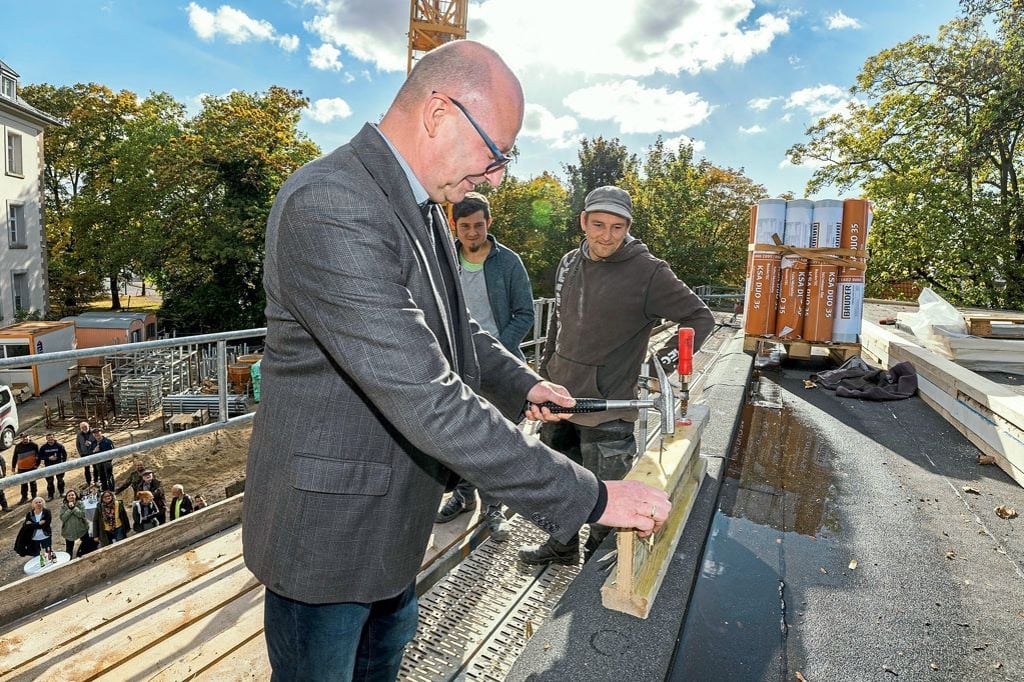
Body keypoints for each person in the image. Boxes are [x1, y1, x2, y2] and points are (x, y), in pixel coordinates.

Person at [242, 40, 670, 682]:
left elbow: (455, 326)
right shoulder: (332, 204)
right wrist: (590, 495)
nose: (496, 176)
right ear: (440, 112)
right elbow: (428, 397)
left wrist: (524, 381)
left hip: (388, 529)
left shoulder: (417, 204)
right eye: (496, 151)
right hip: (327, 542)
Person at [519, 185, 716, 566]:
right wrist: (542, 377)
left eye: (616, 227)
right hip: (559, 400)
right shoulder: (568, 263)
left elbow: (699, 317)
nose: (606, 235)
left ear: (627, 227)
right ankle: (560, 547)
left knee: (607, 496)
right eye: (598, 225)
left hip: (609, 407)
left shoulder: (648, 272)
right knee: (558, 486)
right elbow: (558, 323)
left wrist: (665, 363)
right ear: (583, 222)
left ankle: (596, 567)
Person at [435, 191, 535, 541]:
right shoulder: (443, 261)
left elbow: (526, 313)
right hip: (455, 366)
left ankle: (493, 507)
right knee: (461, 437)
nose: (473, 233)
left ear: (489, 223)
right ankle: (464, 495)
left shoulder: (508, 262)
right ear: (454, 226)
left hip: (496, 367)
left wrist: (498, 354)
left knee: (495, 440)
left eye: (479, 225)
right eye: (465, 227)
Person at [59, 490, 89, 557]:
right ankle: (68, 561)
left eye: (72, 495)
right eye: (69, 495)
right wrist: (70, 510)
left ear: (75, 496)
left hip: (82, 528)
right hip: (69, 531)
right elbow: (62, 518)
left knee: (87, 543)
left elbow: (81, 514)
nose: (71, 496)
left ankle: (83, 555)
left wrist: (74, 508)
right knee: (69, 549)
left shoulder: (80, 504)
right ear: (66, 497)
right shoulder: (63, 507)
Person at [39, 432, 68, 500]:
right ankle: (50, 495)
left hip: (59, 466)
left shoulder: (59, 446)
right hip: (48, 467)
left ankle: (62, 492)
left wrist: (63, 463)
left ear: (54, 438)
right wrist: (48, 458)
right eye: (48, 438)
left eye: (51, 437)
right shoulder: (43, 447)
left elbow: (65, 455)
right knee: (49, 482)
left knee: (60, 480)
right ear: (46, 439)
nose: (50, 439)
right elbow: (40, 456)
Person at [11, 434, 40, 503]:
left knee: (33, 482)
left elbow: (39, 455)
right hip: (21, 468)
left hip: (32, 467)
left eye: (26, 437)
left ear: (29, 437)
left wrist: (37, 465)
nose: (25, 439)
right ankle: (24, 497)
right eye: (23, 438)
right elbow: (15, 456)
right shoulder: (18, 446)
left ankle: (34, 496)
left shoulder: (34, 445)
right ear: (21, 439)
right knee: (23, 483)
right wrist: (13, 467)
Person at [91, 427, 116, 492]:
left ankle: (112, 490)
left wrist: (109, 461)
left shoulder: (108, 441)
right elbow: (91, 453)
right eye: (95, 435)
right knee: (102, 477)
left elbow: (113, 452)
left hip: (107, 462)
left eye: (98, 434)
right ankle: (105, 490)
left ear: (101, 433)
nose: (97, 436)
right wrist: (94, 451)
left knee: (109, 476)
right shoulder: (93, 443)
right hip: (98, 463)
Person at [75, 421, 98, 486]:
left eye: (85, 427)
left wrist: (92, 443)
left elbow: (98, 440)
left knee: (96, 468)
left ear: (88, 426)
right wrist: (81, 454)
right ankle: (88, 482)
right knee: (86, 469)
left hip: (94, 453)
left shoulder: (94, 432)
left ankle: (96, 481)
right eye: (82, 427)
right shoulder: (79, 435)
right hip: (84, 454)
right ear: (80, 428)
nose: (84, 428)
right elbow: (78, 445)